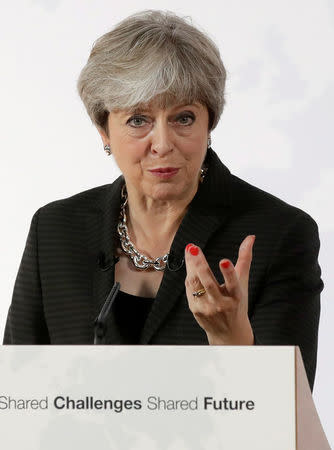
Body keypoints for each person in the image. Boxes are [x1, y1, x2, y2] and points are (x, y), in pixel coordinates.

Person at [3, 9, 323, 391]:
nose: (163, 143)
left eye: (183, 118)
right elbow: (17, 399)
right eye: (138, 119)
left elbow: (286, 425)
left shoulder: (280, 234)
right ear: (104, 130)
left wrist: (231, 341)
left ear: (210, 123)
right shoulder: (54, 229)